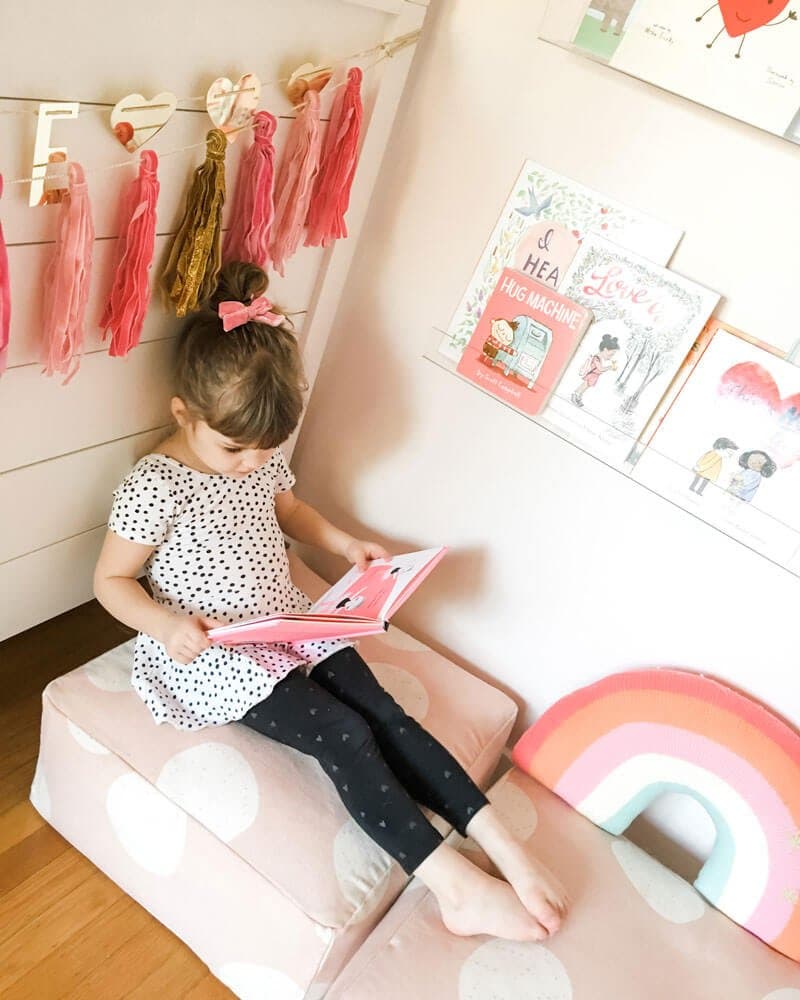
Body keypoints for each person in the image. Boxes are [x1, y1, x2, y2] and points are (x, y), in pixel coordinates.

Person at [94, 261, 568, 943]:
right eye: (234, 448)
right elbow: (110, 583)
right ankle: (454, 885)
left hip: (289, 617)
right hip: (216, 654)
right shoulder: (156, 486)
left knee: (383, 713)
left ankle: (501, 843)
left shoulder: (254, 459)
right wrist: (167, 626)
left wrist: (345, 545)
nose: (252, 463)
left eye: (267, 449)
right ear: (183, 415)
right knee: (344, 735)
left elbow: (287, 508)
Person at [571, 333, 619, 407]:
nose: (611, 357)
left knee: (586, 387)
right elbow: (600, 369)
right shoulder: (596, 358)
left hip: (594, 376)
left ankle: (578, 396)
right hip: (591, 375)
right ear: (605, 350)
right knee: (584, 386)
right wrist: (610, 367)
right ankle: (575, 396)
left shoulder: (599, 358)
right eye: (611, 354)